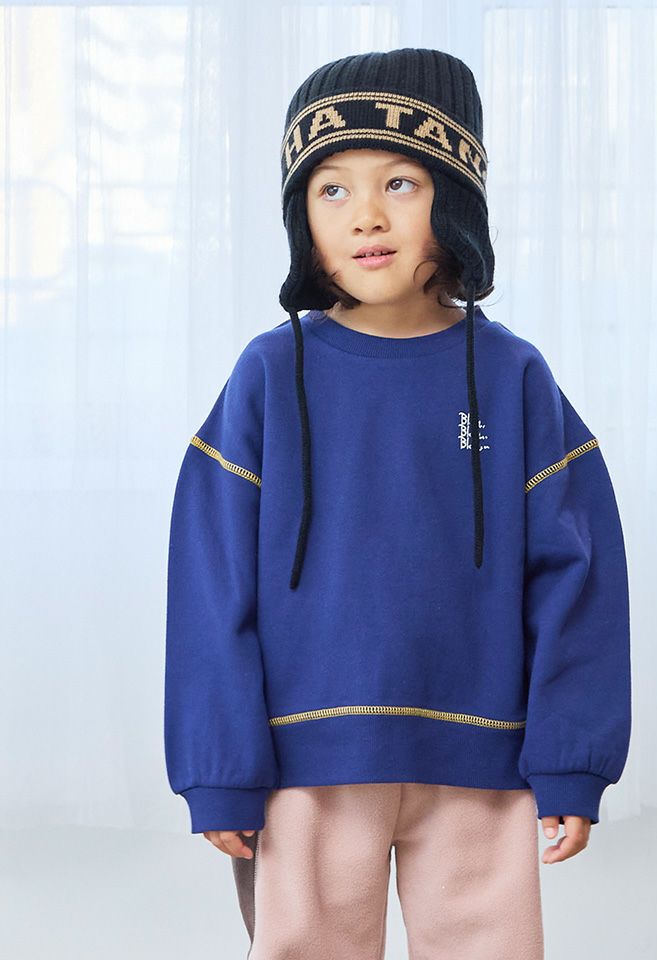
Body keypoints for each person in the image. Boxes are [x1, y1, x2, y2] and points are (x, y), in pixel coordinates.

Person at [163, 48, 631, 959]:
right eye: (331, 189)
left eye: (401, 183)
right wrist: (219, 768)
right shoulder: (269, 374)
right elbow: (210, 578)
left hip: (482, 759)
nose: (366, 215)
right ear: (301, 215)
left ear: (455, 199)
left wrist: (571, 758)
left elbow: (578, 576)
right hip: (306, 761)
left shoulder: (513, 376)